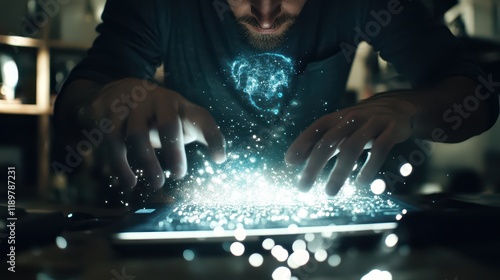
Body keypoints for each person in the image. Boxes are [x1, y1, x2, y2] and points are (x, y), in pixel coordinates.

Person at [54, 0, 499, 196]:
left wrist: (413, 110)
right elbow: (81, 94)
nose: (265, 16)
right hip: (174, 214)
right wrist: (104, 102)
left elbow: (477, 94)